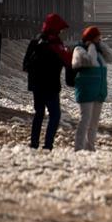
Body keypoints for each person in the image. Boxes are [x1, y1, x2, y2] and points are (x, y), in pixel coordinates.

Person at [22, 13, 73, 150]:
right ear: (55, 29)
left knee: (39, 113)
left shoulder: (36, 41)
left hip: (36, 85)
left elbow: (25, 64)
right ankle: (48, 145)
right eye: (60, 29)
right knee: (55, 115)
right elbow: (68, 61)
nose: (61, 32)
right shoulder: (56, 44)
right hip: (50, 85)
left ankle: (33, 144)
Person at [71, 25, 112, 152]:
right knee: (85, 121)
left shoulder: (99, 52)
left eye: (99, 39)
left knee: (94, 123)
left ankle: (90, 147)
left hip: (99, 91)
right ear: (90, 38)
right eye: (96, 38)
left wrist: (102, 46)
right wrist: (91, 47)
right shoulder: (79, 49)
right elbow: (88, 62)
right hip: (86, 90)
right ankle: (78, 148)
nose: (98, 41)